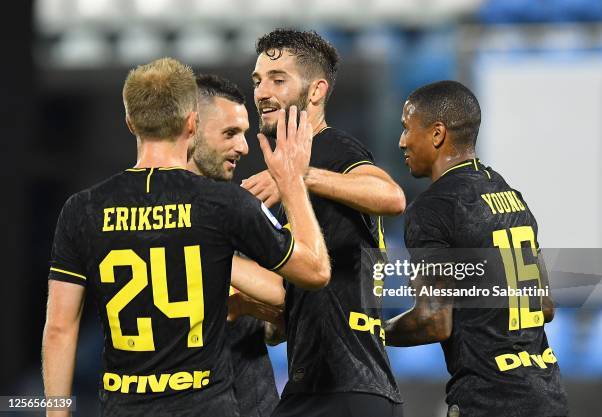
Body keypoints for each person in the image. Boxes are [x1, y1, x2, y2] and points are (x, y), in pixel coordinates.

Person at [41, 57, 331, 417]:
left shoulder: (81, 209)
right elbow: (315, 272)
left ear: (130, 122)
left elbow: (58, 329)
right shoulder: (222, 203)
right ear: (192, 123)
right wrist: (291, 183)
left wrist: (56, 414)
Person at [240, 29, 405, 417]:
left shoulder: (330, 148)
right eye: (258, 80)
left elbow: (392, 197)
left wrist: (299, 176)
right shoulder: (294, 173)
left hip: (339, 387)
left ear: (315, 92)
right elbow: (287, 313)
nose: (262, 91)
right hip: (332, 385)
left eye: (278, 80)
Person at [384, 80, 569, 417]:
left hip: (489, 399)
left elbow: (433, 321)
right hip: (548, 395)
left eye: (406, 129)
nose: (401, 142)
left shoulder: (432, 209)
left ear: (437, 134)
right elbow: (543, 306)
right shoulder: (511, 197)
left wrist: (372, 334)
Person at [186, 73, 279, 417]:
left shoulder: (246, 206)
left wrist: (249, 309)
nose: (244, 147)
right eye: (230, 133)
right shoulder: (237, 209)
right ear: (190, 129)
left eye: (243, 133)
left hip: (252, 401)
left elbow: (290, 305)